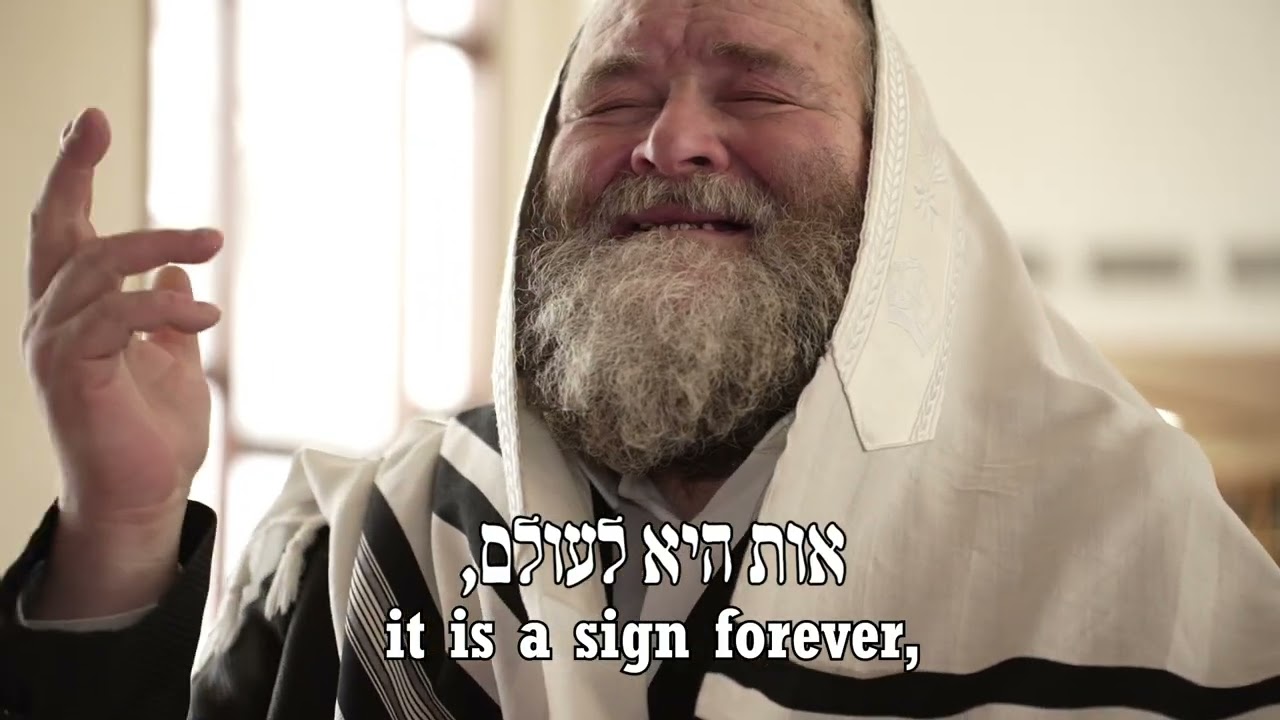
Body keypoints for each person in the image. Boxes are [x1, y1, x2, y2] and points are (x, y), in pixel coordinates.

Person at [2, 0, 1278, 717]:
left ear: (898, 189)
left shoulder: (1124, 550)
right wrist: (121, 528)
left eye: (757, 90)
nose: (669, 142)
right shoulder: (366, 551)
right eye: (612, 98)